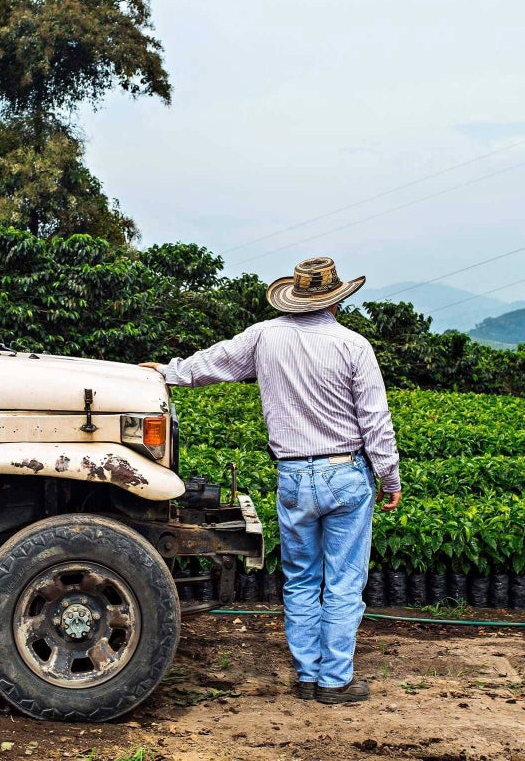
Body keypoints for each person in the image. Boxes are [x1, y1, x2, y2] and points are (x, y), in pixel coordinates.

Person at [140, 256, 401, 704]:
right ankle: (335, 681)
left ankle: (305, 675)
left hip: (294, 475)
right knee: (342, 580)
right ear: (336, 300)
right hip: (345, 473)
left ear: (295, 296)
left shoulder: (264, 336)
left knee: (300, 578)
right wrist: (388, 475)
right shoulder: (353, 345)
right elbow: (375, 419)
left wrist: (165, 372)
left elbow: (210, 364)